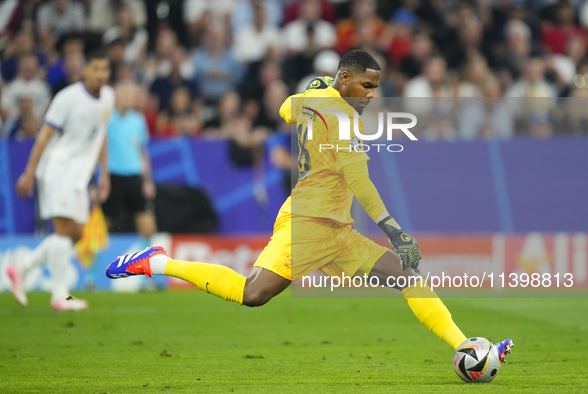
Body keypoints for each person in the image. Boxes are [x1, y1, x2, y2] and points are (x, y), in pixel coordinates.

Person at [106, 50, 514, 361]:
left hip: (336, 228)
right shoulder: (342, 123)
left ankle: (466, 347)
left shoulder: (314, 101)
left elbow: (286, 107)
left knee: (406, 275)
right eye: (365, 86)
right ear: (345, 78)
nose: (372, 96)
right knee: (254, 294)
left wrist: (317, 89)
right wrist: (396, 230)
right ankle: (156, 262)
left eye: (375, 87)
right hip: (307, 222)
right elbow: (362, 183)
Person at [7, 50, 114, 310]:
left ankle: (21, 267)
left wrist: (104, 173)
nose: (101, 75)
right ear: (84, 70)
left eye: (105, 69)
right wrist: (29, 172)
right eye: (96, 68)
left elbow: (99, 136)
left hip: (79, 177)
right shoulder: (67, 98)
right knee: (64, 231)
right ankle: (59, 295)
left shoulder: (108, 97)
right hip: (58, 170)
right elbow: (44, 136)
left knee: (76, 234)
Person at [102, 81, 157, 241]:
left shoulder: (138, 121)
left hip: (134, 177)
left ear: (134, 100)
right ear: (115, 98)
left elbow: (142, 152)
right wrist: (99, 179)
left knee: (148, 227)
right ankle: (93, 263)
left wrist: (147, 181)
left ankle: (148, 263)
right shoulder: (106, 119)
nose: (125, 99)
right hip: (113, 177)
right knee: (103, 225)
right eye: (122, 95)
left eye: (129, 96)